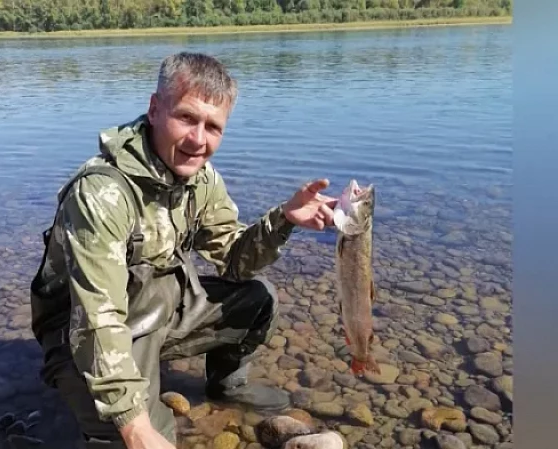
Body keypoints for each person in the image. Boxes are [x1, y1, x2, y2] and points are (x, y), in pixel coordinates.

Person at [30, 51, 338, 449]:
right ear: (155, 109)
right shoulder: (102, 193)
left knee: (258, 298)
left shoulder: (201, 180)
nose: (198, 140)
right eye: (187, 118)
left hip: (158, 310)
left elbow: (234, 261)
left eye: (213, 127)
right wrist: (134, 425)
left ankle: (226, 388)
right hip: (82, 333)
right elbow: (97, 319)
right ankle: (97, 399)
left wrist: (284, 220)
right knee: (146, 438)